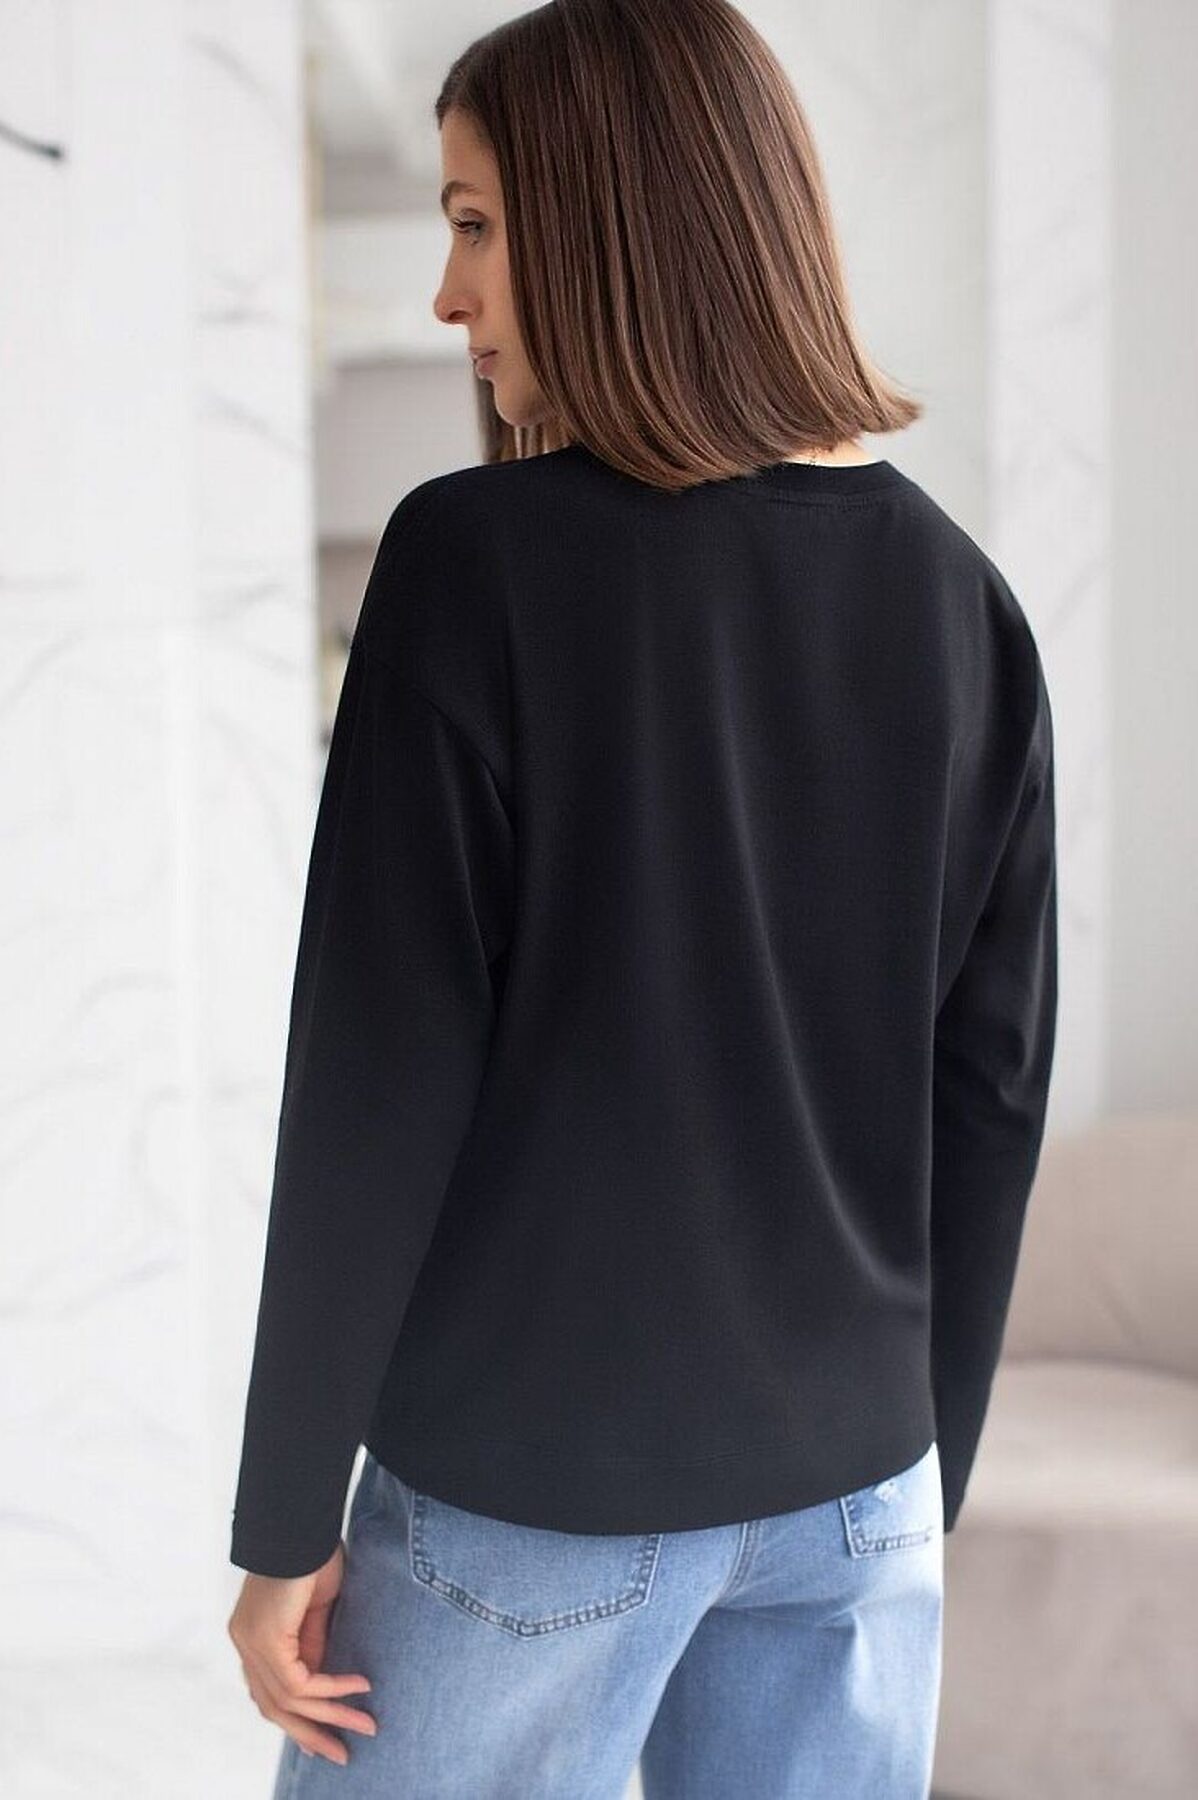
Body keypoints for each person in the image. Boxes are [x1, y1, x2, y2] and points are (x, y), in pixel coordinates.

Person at [225, 2, 1058, 1795]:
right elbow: (986, 1095)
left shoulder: (470, 562)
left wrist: (282, 1515)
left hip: (536, 1484)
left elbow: (377, 1076)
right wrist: (916, 1478)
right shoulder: (960, 599)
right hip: (857, 1488)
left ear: (610, 219)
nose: (449, 296)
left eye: (475, 223)